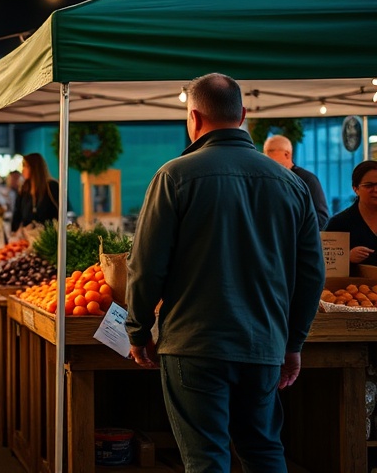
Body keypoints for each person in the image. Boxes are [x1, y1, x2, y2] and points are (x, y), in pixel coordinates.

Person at [126, 73, 324, 472]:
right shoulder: (291, 185)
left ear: (194, 118)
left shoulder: (174, 176)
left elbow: (146, 267)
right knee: (265, 450)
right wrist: (293, 342)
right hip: (264, 343)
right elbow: (311, 274)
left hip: (193, 344)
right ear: (243, 115)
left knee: (206, 459)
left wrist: (138, 330)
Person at [264, 134, 329, 229]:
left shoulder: (307, 180)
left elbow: (321, 218)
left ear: (287, 154)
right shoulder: (266, 180)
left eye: (274, 162)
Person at [325, 160, 377, 270]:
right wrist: (347, 257)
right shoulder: (339, 223)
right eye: (369, 185)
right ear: (355, 189)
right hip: (352, 286)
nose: (375, 190)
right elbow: (326, 264)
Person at [10, 153, 61, 233]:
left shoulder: (51, 186)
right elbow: (17, 213)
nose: (22, 169)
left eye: (25, 166)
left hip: (47, 239)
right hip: (27, 238)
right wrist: (13, 231)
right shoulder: (24, 188)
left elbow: (59, 212)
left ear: (34, 168)